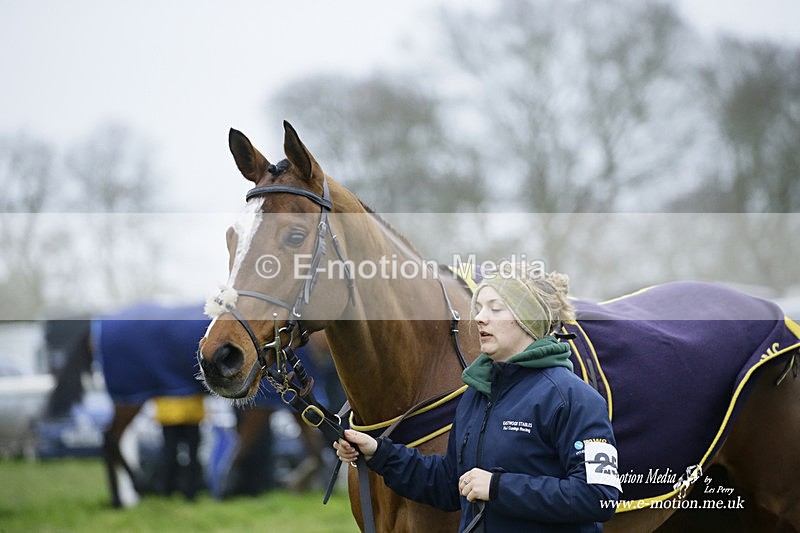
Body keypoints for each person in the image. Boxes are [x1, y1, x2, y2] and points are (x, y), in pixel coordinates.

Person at [335, 265, 621, 532]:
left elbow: (599, 496)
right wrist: (379, 453)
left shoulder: (574, 398)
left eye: (495, 308)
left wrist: (498, 487)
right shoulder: (477, 394)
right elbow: (450, 484)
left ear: (528, 319)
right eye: (479, 308)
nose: (480, 318)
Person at [153, 394, 206, 501]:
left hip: (174, 412)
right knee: (184, 456)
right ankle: (187, 492)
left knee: (171, 455)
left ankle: (167, 491)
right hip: (186, 412)